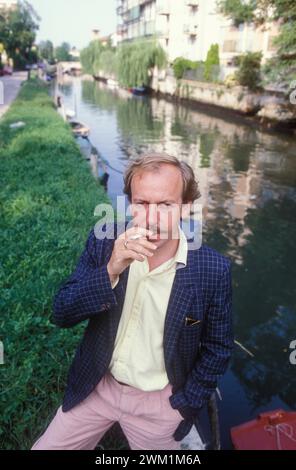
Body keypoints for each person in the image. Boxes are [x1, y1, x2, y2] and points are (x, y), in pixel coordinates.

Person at [32, 153, 233, 450]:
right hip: (97, 386)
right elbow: (62, 312)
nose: (151, 219)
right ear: (130, 203)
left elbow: (218, 347)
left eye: (165, 204)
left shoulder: (213, 270)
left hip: (160, 404)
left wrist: (186, 403)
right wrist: (111, 268)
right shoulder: (105, 242)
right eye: (142, 204)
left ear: (186, 208)